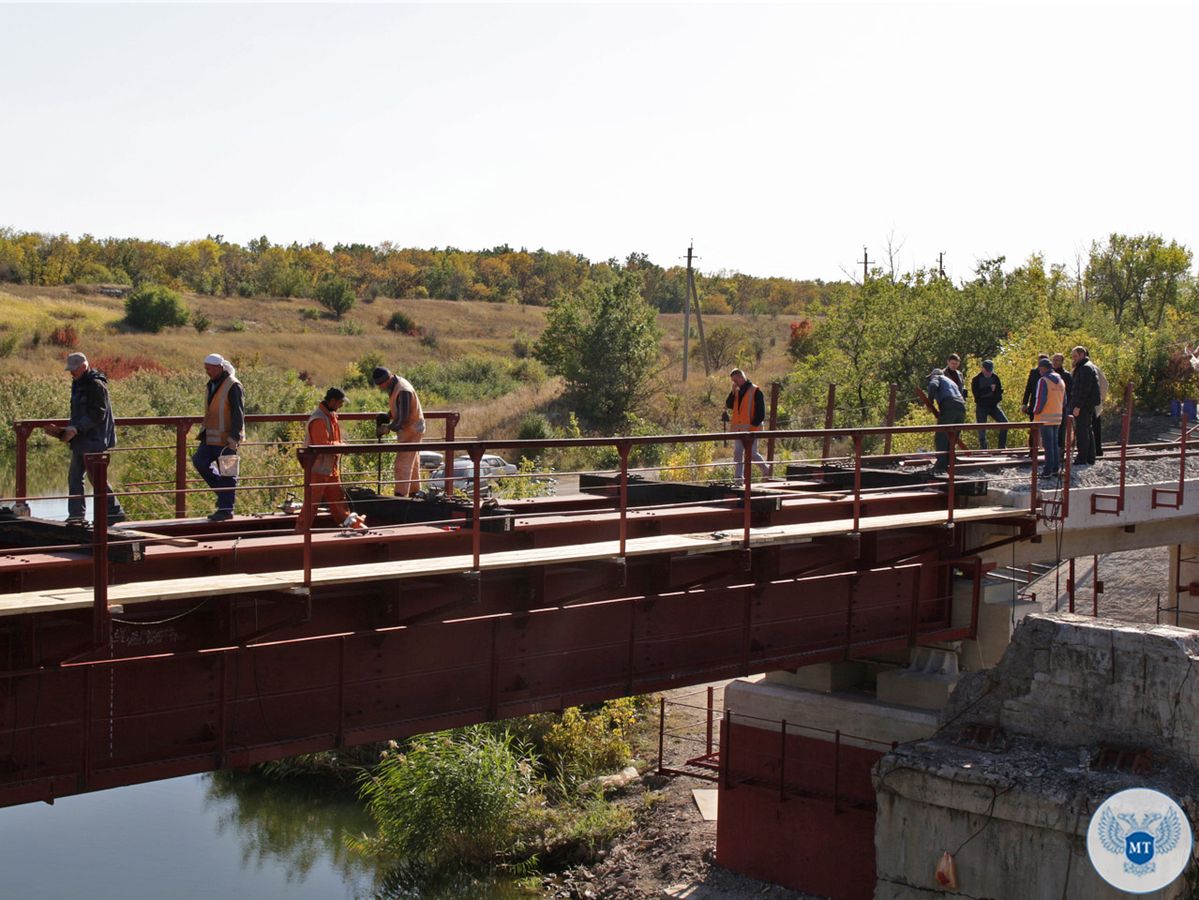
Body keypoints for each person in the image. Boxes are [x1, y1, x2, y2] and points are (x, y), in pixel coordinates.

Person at [47, 352, 126, 525]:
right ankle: (78, 516)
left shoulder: (95, 384)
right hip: (82, 439)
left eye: (74, 369)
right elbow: (78, 412)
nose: (71, 373)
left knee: (93, 477)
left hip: (94, 439)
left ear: (83, 366)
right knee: (76, 476)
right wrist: (66, 430)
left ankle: (113, 511)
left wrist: (75, 428)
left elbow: (98, 413)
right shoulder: (78, 383)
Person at [296, 388, 366, 532]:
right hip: (317, 469)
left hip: (329, 468)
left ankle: (349, 525)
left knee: (338, 500)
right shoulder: (319, 419)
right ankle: (300, 534)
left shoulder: (330, 416)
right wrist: (341, 447)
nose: (341, 405)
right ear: (332, 401)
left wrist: (340, 448)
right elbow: (322, 445)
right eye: (340, 402)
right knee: (311, 505)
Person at [192, 353, 244, 522]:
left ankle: (226, 509)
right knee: (200, 461)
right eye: (206, 368)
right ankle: (224, 496)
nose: (207, 371)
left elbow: (238, 413)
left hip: (228, 439)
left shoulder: (233, 385)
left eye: (209, 368)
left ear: (219, 367)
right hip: (211, 436)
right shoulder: (212, 384)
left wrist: (234, 437)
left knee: (228, 474)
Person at [372, 366, 425, 496]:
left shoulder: (403, 390)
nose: (380, 388)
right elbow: (400, 408)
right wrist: (389, 415)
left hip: (411, 429)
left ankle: (400, 496)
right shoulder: (396, 385)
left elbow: (403, 419)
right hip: (412, 428)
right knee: (412, 463)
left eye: (380, 385)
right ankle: (415, 493)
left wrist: (387, 428)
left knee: (402, 464)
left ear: (387, 380)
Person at [724, 368, 770, 482]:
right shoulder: (737, 392)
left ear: (741, 377)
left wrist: (753, 426)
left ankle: (766, 469)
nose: (734, 383)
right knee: (738, 453)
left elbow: (761, 413)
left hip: (751, 429)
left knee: (752, 454)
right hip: (739, 429)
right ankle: (738, 479)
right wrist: (732, 392)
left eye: (735, 380)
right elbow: (729, 405)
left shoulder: (755, 391)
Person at [1031, 357, 1066, 477]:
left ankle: (1047, 470)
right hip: (1057, 417)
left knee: (1048, 445)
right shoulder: (1061, 380)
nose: (1039, 371)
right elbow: (1064, 401)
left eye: (1039, 369)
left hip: (1044, 418)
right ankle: (1056, 468)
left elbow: (1040, 399)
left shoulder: (1043, 381)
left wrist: (1035, 412)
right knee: (1055, 444)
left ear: (1042, 368)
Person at [927, 367, 966, 473]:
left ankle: (940, 466)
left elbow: (933, 385)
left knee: (941, 436)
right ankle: (950, 464)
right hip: (962, 408)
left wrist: (930, 403)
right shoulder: (952, 382)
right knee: (952, 437)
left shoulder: (937, 377)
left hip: (949, 406)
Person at [1070, 346, 1101, 466]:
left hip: (1084, 405)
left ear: (1082, 355)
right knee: (1087, 429)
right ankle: (1089, 457)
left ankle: (1082, 458)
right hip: (1087, 404)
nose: (1073, 359)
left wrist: (1077, 406)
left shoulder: (1085, 368)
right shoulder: (1087, 366)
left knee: (1083, 431)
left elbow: (1084, 390)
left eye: (1075, 356)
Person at [970, 359, 1007, 450]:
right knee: (981, 429)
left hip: (993, 406)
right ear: (982, 369)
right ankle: (984, 449)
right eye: (987, 371)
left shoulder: (995, 378)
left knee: (1005, 423)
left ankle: (1001, 448)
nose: (989, 373)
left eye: (990, 371)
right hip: (981, 407)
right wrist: (989, 389)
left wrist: (996, 395)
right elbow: (977, 395)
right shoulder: (976, 379)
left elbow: (998, 392)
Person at [1051, 354, 1074, 451]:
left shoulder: (1066, 375)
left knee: (1061, 429)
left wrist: (1068, 405)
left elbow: (1070, 392)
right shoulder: (1049, 375)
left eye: (1057, 360)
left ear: (1062, 362)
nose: (1055, 362)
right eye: (1054, 360)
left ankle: (1061, 450)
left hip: (1064, 406)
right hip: (1051, 406)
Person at [1093, 361, 1110, 457]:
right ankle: (1097, 450)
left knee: (1090, 429)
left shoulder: (1085, 368)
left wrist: (1100, 399)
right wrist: (1100, 399)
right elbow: (1105, 385)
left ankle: (1093, 451)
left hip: (1089, 406)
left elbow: (1104, 385)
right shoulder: (1096, 368)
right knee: (1096, 428)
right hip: (1096, 405)